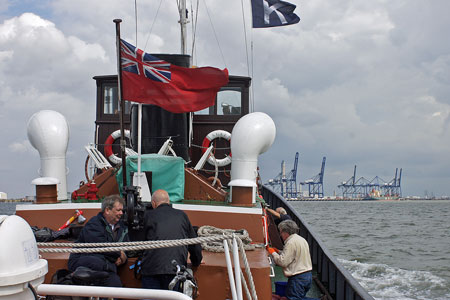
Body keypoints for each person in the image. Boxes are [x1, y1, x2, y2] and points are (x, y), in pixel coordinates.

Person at [141, 189, 202, 290]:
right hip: (175, 270)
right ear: (168, 202)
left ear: (153, 203)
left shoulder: (148, 216)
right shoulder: (182, 215)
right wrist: (196, 261)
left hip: (151, 269)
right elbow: (194, 243)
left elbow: (139, 243)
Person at [68, 194, 129, 287]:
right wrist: (119, 253)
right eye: (118, 210)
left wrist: (123, 257)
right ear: (107, 210)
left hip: (107, 268)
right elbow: (100, 245)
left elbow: (129, 245)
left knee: (115, 285)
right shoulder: (94, 224)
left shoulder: (123, 228)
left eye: (122, 210)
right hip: (86, 264)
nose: (121, 213)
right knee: (97, 264)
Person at [267, 220, 319, 300]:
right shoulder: (301, 240)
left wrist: (273, 253)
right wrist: (279, 251)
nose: (280, 235)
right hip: (307, 276)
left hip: (298, 278)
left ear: (285, 232)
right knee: (300, 297)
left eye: (280, 232)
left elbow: (282, 262)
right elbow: (295, 255)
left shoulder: (290, 243)